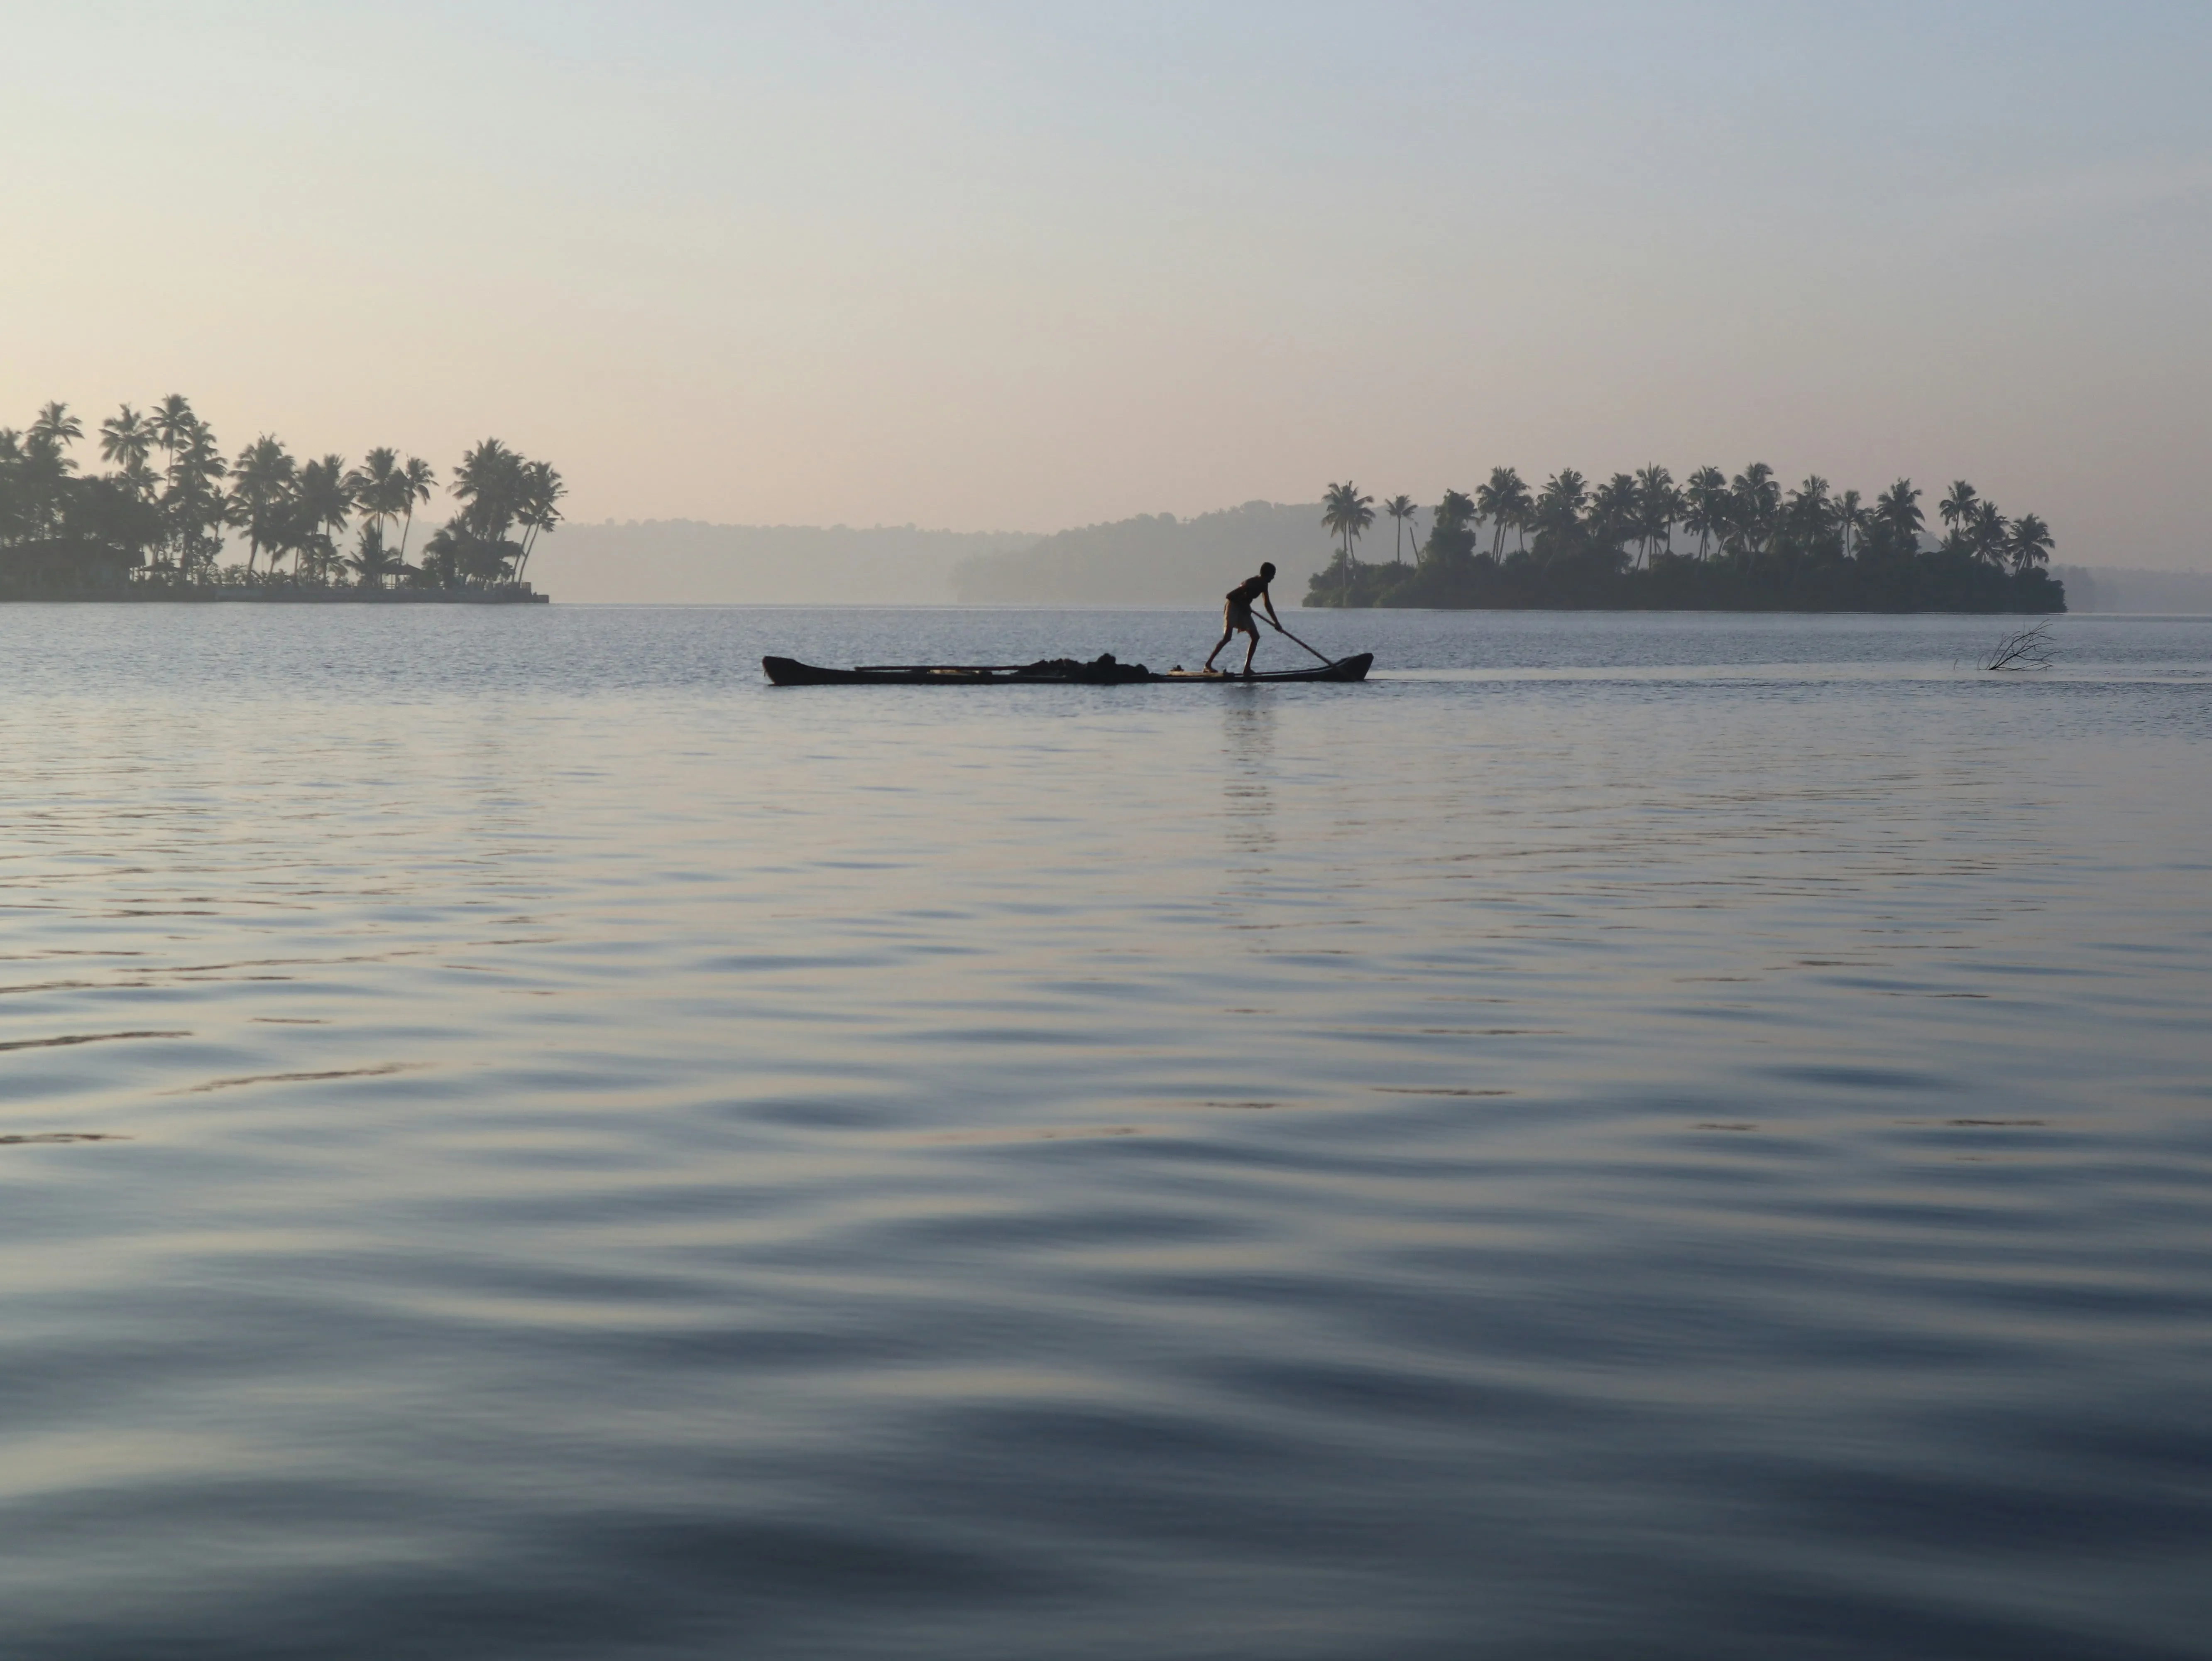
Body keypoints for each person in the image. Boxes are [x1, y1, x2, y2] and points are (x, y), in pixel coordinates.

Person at [1203, 561, 1281, 675]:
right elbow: (1230, 596)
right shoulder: (1251, 583)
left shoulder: (1264, 585)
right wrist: (1244, 605)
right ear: (1267, 574)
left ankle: (1247, 669)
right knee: (1227, 637)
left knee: (1255, 637)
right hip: (1234, 606)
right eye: (1272, 575)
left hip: (1244, 609)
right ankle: (1208, 665)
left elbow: (1267, 604)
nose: (1273, 578)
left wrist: (1276, 623)